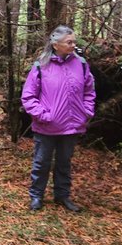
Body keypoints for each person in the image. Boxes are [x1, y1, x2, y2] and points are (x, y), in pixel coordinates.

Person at [20, 25, 96, 212]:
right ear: (56, 44)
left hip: (72, 125)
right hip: (47, 126)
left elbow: (89, 91)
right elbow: (28, 96)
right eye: (69, 42)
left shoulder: (81, 64)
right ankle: (36, 196)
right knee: (42, 162)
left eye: (74, 41)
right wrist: (43, 115)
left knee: (64, 162)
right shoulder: (41, 66)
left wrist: (85, 112)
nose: (73, 45)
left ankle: (62, 196)